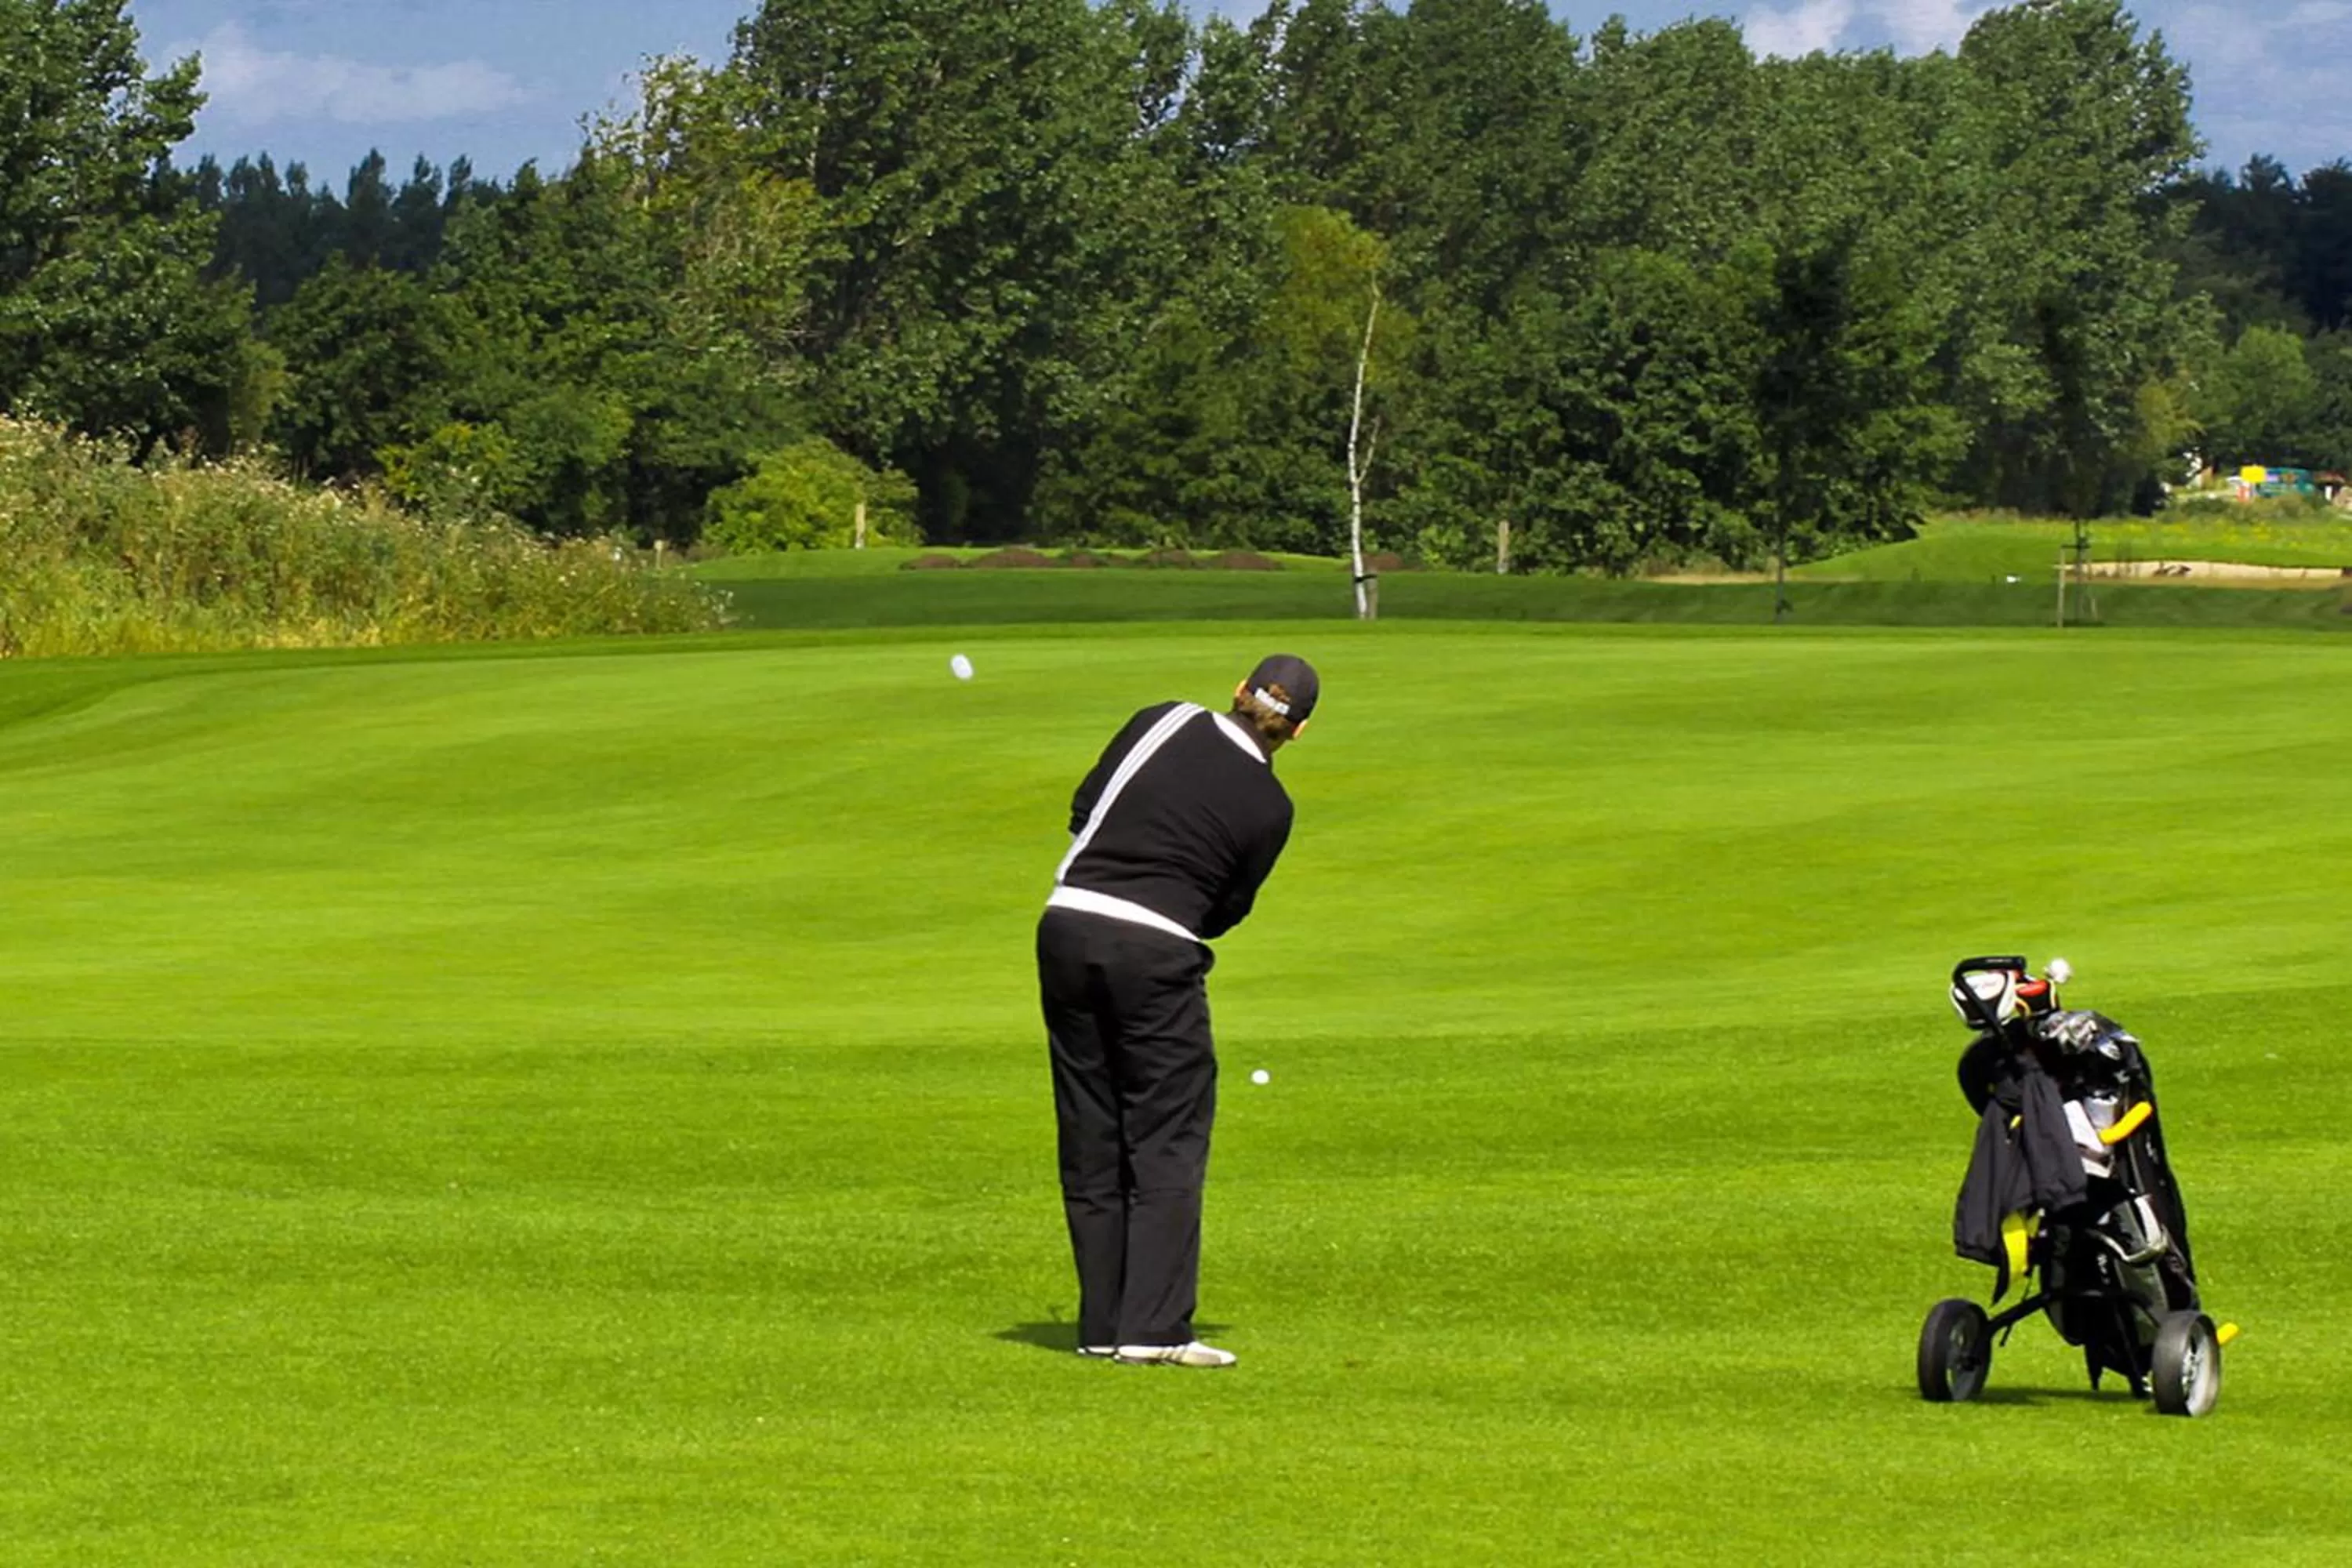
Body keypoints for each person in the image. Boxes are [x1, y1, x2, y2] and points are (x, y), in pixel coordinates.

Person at [1035, 654, 1317, 1368]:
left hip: (1067, 926)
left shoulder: (1160, 720)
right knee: (1167, 1135)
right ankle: (1153, 1330)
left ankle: (1102, 1325)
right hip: (1155, 949)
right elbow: (1226, 911)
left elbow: (1083, 811)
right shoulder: (1270, 806)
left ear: (1238, 692)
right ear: (1299, 730)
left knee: (1092, 1126)